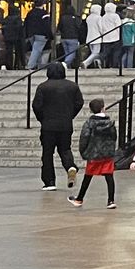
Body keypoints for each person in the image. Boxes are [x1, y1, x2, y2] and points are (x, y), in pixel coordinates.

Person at [31, 62, 83, 191]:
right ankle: (70, 166)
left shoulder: (43, 87)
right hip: (65, 124)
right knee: (65, 149)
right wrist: (70, 115)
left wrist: (42, 118)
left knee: (47, 153)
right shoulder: (72, 86)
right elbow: (79, 103)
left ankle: (49, 181)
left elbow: (36, 106)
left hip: (48, 125)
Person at [67, 98, 119, 208]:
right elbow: (114, 137)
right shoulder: (110, 123)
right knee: (109, 177)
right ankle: (111, 200)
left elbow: (84, 138)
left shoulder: (89, 123)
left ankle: (79, 199)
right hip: (107, 154)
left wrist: (84, 152)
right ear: (103, 108)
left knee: (88, 176)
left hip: (94, 154)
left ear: (91, 110)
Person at [25, 2, 52, 70]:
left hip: (31, 34)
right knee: (37, 50)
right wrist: (50, 35)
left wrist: (27, 35)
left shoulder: (30, 13)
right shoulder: (44, 13)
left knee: (37, 50)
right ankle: (30, 65)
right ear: (42, 5)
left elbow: (26, 24)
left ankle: (39, 66)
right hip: (41, 34)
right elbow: (47, 24)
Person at [0, 5, 24, 71]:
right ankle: (18, 64)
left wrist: (4, 35)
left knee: (8, 52)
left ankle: (9, 65)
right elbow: (20, 28)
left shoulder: (6, 19)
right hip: (17, 38)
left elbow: (3, 28)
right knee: (18, 52)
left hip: (7, 38)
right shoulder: (17, 18)